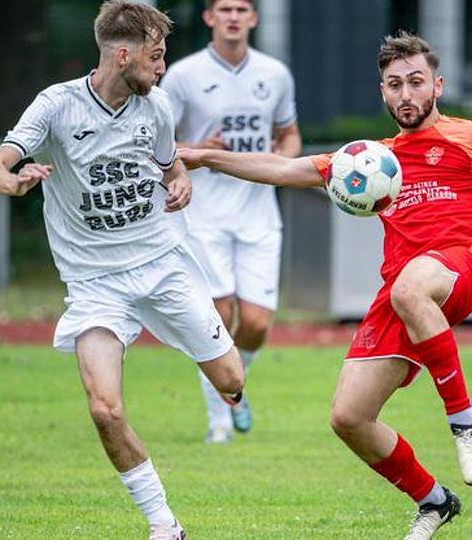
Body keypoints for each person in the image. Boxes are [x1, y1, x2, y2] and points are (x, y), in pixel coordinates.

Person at [179, 30, 472, 540]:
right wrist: (205, 157)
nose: (406, 94)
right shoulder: (370, 159)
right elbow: (283, 167)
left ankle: (464, 422)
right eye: (394, 85)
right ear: (383, 93)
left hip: (458, 268)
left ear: (437, 85)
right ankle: (433, 501)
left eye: (415, 82)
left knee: (411, 288)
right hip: (401, 290)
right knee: (349, 417)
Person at [0, 2, 244, 538]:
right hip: (96, 284)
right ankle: (164, 525)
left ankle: (212, 367)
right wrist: (15, 181)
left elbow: (171, 166)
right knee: (104, 409)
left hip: (163, 265)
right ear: (124, 55)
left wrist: (181, 180)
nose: (162, 67)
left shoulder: (157, 108)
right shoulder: (56, 107)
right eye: (156, 56)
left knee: (232, 381)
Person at [159, 0, 302, 444]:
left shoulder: (274, 74)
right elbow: (157, 139)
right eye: (225, 9)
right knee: (217, 317)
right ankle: (220, 420)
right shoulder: (183, 75)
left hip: (259, 214)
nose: (234, 16)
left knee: (257, 324)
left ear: (254, 18)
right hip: (204, 216)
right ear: (209, 18)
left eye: (242, 8)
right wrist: (200, 148)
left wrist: (284, 160)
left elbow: (289, 134)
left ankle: (233, 386)